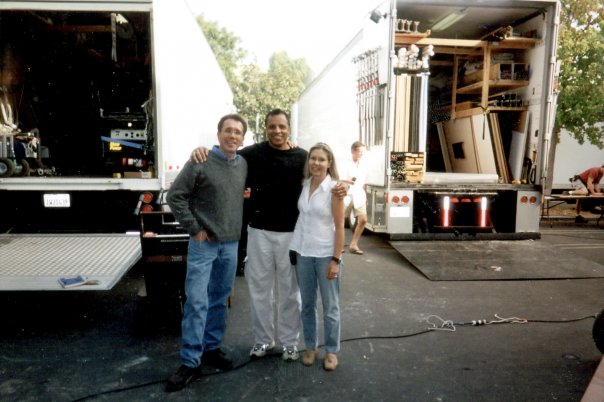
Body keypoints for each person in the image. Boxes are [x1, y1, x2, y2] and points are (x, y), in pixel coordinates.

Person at [191, 109, 307, 362]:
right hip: (258, 233)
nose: (277, 131)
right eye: (272, 127)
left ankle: (290, 343)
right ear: (266, 128)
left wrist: (339, 185)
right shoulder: (252, 154)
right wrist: (201, 150)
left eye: (281, 126)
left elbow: (321, 178)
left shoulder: (302, 157)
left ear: (289, 128)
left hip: (291, 235)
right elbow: (224, 155)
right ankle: (263, 340)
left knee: (290, 292)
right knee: (260, 290)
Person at [165, 114, 248, 392]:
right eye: (228, 131)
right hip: (204, 244)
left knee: (219, 299)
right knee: (196, 301)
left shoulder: (242, 164)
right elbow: (174, 195)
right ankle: (190, 362)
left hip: (231, 243)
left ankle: (211, 348)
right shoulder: (200, 161)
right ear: (218, 134)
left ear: (243, 138)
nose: (232, 136)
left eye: (237, 132)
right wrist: (194, 228)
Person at [289, 142, 345, 371]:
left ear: (329, 163)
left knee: (330, 307)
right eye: (313, 158)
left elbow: (340, 227)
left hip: (325, 254)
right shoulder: (304, 184)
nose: (316, 163)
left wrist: (336, 259)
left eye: (322, 159)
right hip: (303, 253)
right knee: (307, 305)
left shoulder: (334, 189)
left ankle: (331, 351)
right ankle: (310, 346)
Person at [340, 141, 367, 254]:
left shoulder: (363, 165)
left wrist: (367, 198)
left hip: (359, 195)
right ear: (353, 151)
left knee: (363, 220)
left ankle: (353, 244)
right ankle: (339, 245)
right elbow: (338, 179)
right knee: (339, 221)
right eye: (359, 151)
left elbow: (364, 182)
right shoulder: (344, 164)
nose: (361, 154)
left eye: (362, 152)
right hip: (347, 194)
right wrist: (348, 181)